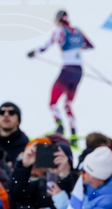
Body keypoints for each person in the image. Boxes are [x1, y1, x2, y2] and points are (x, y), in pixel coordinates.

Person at [27, 10, 93, 148]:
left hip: (67, 70)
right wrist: (78, 48)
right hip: (79, 71)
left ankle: (59, 127)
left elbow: (46, 45)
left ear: (58, 21)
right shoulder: (77, 31)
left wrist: (33, 52)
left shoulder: (60, 31)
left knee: (52, 103)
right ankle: (74, 134)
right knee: (68, 104)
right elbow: (89, 46)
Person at [10, 138, 76, 209]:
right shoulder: (38, 183)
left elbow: (74, 207)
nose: (35, 163)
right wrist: (24, 167)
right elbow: (16, 195)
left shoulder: (78, 181)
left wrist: (64, 175)